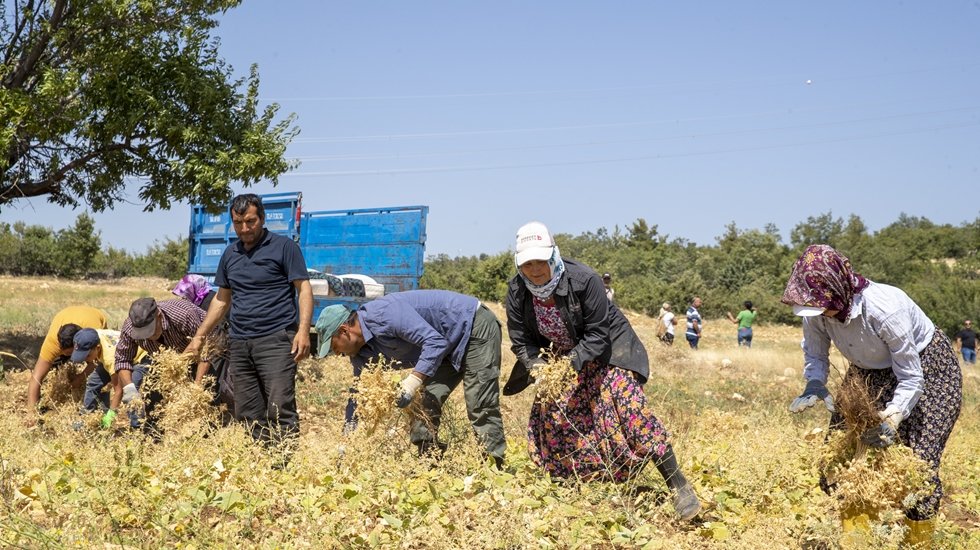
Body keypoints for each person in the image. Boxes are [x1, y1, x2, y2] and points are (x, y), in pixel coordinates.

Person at [502, 221, 700, 521]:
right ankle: (572, 484)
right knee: (553, 415)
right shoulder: (517, 291)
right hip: (560, 357)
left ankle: (679, 486)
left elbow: (597, 334)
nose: (535, 269)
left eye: (540, 261)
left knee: (630, 408)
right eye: (527, 263)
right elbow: (521, 340)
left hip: (607, 349)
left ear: (553, 255)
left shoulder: (585, 280)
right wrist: (539, 368)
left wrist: (570, 365)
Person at [782, 244, 961, 544]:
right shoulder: (815, 308)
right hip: (867, 372)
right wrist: (815, 382)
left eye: (823, 305)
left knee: (917, 466)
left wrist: (893, 417)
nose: (819, 312)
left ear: (838, 288)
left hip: (926, 370)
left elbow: (910, 376)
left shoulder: (885, 308)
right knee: (841, 459)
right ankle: (857, 541)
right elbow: (815, 353)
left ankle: (917, 542)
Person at [315, 290, 507, 466]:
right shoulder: (360, 355)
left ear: (344, 331)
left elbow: (434, 342)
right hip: (444, 345)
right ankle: (430, 465)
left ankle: (494, 470)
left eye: (334, 347)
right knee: (423, 404)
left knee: (479, 403)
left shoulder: (384, 314)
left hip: (472, 325)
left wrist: (412, 382)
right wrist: (346, 437)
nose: (337, 354)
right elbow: (358, 395)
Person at [185, 193, 313, 449]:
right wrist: (199, 337)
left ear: (262, 219)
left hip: (276, 340)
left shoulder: (284, 247)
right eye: (238, 223)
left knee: (279, 407)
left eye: (251, 222)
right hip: (240, 343)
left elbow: (304, 289)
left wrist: (303, 331)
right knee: (247, 410)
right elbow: (221, 301)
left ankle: (283, 465)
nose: (244, 229)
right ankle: (259, 464)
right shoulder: (230, 254)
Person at [114, 297, 214, 427]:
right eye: (143, 334)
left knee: (210, 393)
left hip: (208, 348)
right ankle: (150, 433)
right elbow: (123, 359)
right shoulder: (130, 328)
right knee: (152, 397)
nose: (149, 336)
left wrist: (197, 387)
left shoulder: (183, 315)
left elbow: (206, 350)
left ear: (159, 316)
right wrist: (129, 389)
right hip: (167, 360)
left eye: (151, 331)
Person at [26, 306, 109, 422]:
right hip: (64, 314)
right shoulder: (52, 343)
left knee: (101, 372)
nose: (73, 358)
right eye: (67, 354)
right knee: (53, 368)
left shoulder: (93, 335)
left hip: (92, 316)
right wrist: (31, 413)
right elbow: (36, 377)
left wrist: (80, 378)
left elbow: (97, 361)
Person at [172, 274, 233, 406]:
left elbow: (216, 334)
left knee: (215, 375)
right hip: (221, 336)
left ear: (194, 290)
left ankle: (214, 406)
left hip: (224, 339)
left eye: (185, 295)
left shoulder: (209, 302)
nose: (183, 299)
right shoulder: (204, 299)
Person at [72, 328, 149, 429]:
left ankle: (137, 428)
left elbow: (119, 390)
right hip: (120, 354)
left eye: (87, 356)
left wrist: (111, 415)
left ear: (98, 348)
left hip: (140, 357)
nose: (85, 359)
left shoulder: (110, 359)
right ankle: (88, 418)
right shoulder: (94, 335)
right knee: (93, 382)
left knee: (131, 392)